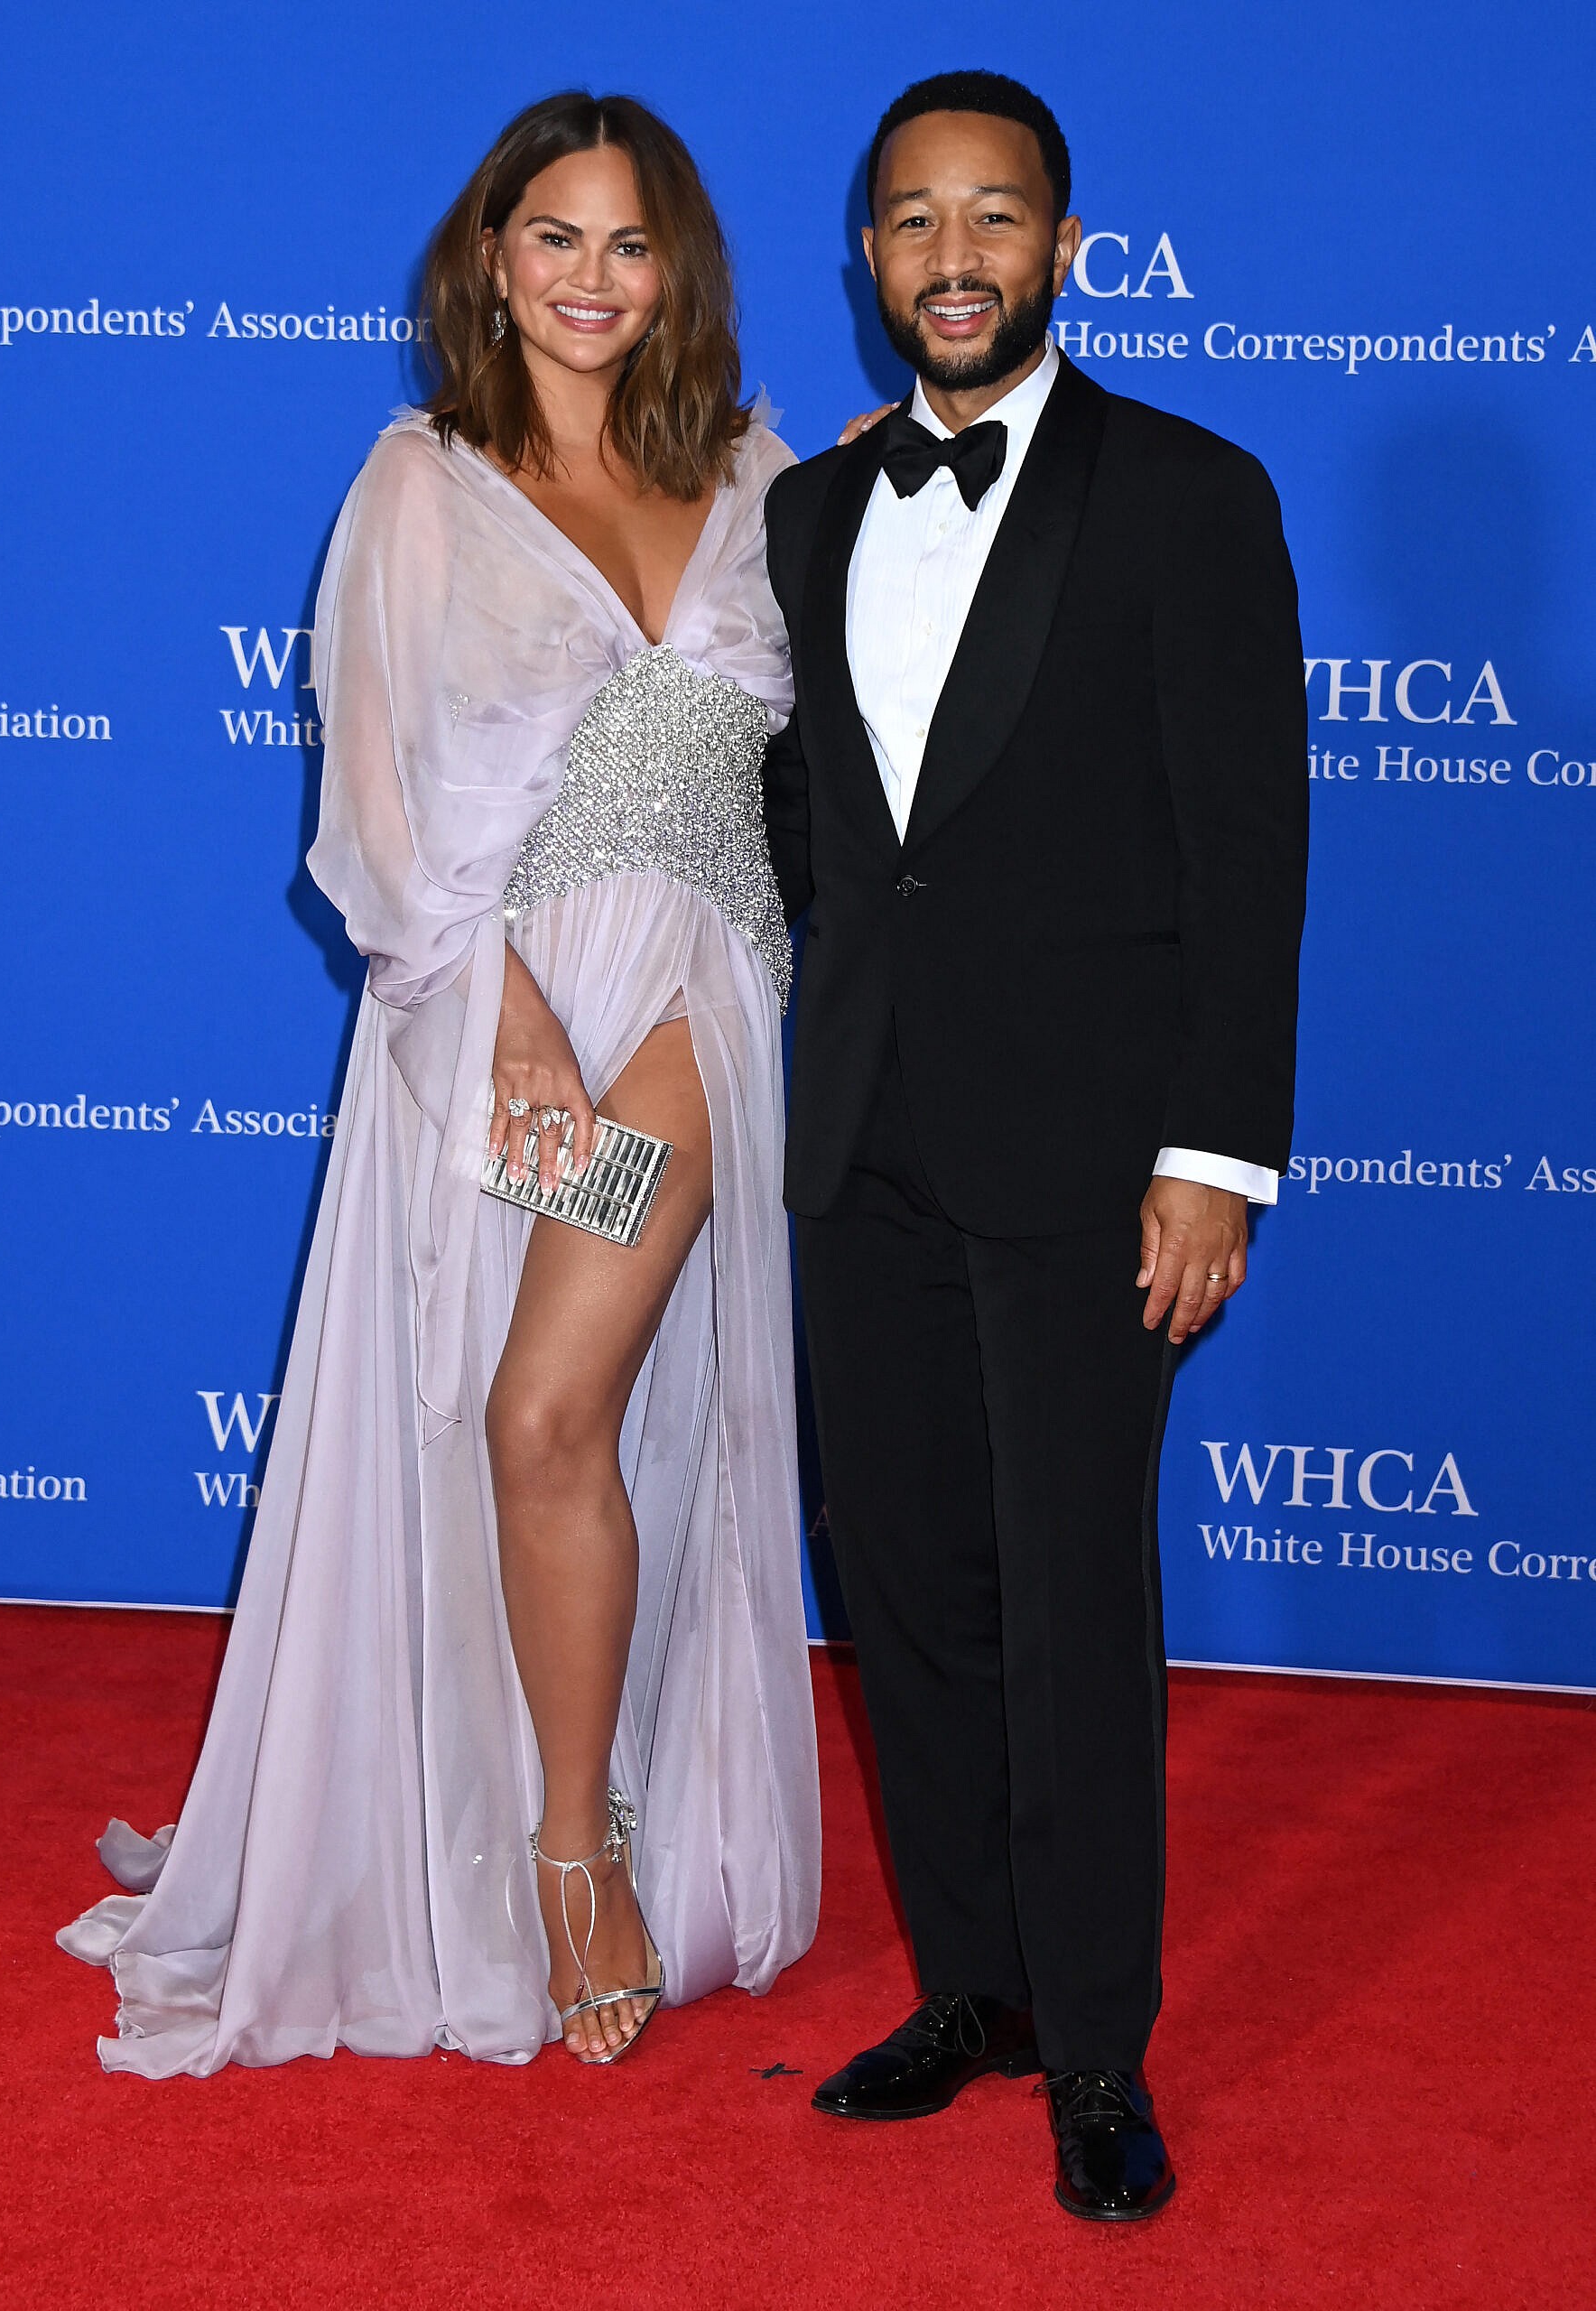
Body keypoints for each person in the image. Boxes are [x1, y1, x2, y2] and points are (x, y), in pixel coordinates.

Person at [60, 90, 820, 2074]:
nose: (590, 278)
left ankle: (578, 1853)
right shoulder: (420, 480)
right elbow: (379, 807)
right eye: (553, 237)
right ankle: (502, 1831)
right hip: (485, 1014)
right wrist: (507, 1018)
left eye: (629, 243)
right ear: (491, 258)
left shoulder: (760, 472)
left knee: (543, 1407)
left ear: (679, 272)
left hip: (701, 1000)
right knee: (498, 1417)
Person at [762, 70, 1307, 2216]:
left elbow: (1251, 849)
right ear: (869, 254)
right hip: (863, 1131)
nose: (955, 255)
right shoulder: (815, 511)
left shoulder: (1189, 492)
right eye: (915, 219)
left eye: (995, 216)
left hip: (1094, 1154)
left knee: (1076, 1595)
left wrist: (1217, 1153)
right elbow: (826, 829)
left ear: (1065, 248)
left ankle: (1095, 2042)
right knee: (908, 1580)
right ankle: (973, 1986)